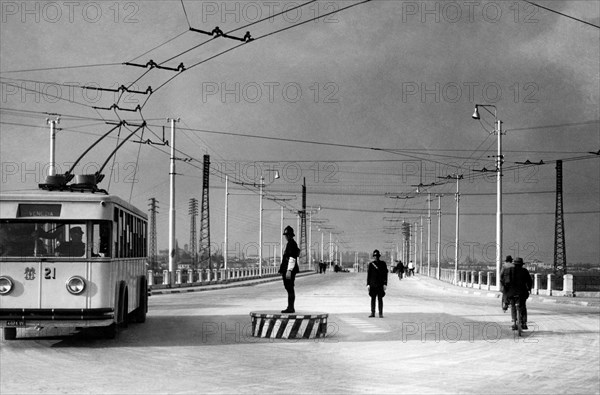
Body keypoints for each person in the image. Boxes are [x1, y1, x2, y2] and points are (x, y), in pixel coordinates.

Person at [502, 257, 533, 330]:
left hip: (511, 292)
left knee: (513, 305)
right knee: (523, 306)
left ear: (514, 264)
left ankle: (514, 322)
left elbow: (504, 280)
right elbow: (529, 281)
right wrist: (529, 288)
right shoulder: (524, 271)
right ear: (522, 264)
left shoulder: (509, 270)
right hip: (522, 292)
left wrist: (506, 289)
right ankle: (524, 323)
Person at [279, 225, 300, 313]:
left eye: (286, 235)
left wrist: (289, 270)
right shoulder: (291, 243)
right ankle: (290, 307)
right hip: (288, 269)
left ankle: (291, 308)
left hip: (289, 270)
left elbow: (292, 258)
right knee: (289, 288)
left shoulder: (291, 244)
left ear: (289, 235)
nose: (286, 237)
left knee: (290, 288)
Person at [366, 249, 388, 318]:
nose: (376, 257)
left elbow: (385, 274)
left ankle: (380, 313)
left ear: (379, 256)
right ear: (373, 256)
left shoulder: (383, 264)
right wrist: (368, 284)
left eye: (377, 256)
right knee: (373, 299)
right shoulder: (371, 264)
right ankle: (373, 313)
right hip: (372, 284)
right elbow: (369, 275)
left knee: (380, 299)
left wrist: (385, 283)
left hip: (380, 284)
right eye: (375, 256)